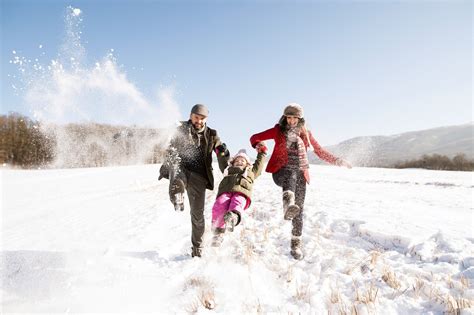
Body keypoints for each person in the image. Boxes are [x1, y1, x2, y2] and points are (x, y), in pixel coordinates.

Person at [249, 103, 351, 260]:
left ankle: (295, 245)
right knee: (291, 171)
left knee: (299, 210)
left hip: (300, 175)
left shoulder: (306, 134)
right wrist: (260, 147)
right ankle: (287, 202)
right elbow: (254, 137)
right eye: (288, 118)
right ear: (285, 118)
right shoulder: (278, 131)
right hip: (280, 172)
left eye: (294, 118)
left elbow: (320, 151)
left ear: (300, 119)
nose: (291, 121)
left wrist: (338, 161)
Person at [159, 104, 230, 258]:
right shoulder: (180, 128)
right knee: (176, 166)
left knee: (197, 215)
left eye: (202, 118)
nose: (199, 121)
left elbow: (219, 151)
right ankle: (177, 195)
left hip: (199, 177)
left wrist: (224, 162)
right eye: (196, 117)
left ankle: (197, 248)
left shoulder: (212, 134)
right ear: (191, 116)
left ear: (206, 119)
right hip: (182, 169)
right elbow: (168, 142)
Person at [210, 145, 267, 247]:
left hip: (241, 193)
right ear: (233, 162)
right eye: (237, 160)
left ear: (247, 163)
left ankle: (233, 217)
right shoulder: (228, 169)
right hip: (225, 192)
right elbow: (222, 161)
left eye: (243, 160)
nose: (240, 162)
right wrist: (220, 153)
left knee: (237, 202)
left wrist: (262, 153)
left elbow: (259, 165)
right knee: (219, 205)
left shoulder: (251, 171)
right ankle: (218, 234)